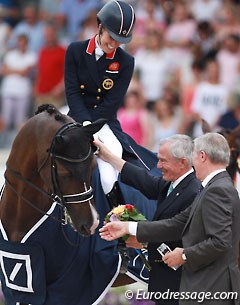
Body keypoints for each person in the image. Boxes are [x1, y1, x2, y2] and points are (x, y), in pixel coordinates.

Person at [100, 132, 240, 305]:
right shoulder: (208, 187)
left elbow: (220, 242)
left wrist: (184, 255)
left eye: (193, 155)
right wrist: (129, 228)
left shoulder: (216, 190)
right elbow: (177, 223)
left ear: (202, 156)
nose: (191, 160)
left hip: (207, 287)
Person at [64, 0, 157, 208]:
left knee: (108, 172)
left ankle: (118, 215)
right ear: (100, 27)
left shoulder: (126, 61)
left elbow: (112, 101)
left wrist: (93, 127)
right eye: (112, 37)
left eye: (119, 40)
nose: (114, 44)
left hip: (104, 121)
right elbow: (72, 92)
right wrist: (85, 124)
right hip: (76, 115)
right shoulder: (75, 50)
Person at [94, 134, 201, 305]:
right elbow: (143, 179)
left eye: (163, 161)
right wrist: (109, 157)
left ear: (182, 162)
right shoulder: (173, 184)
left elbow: (179, 239)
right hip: (166, 285)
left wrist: (143, 242)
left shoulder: (193, 193)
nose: (158, 166)